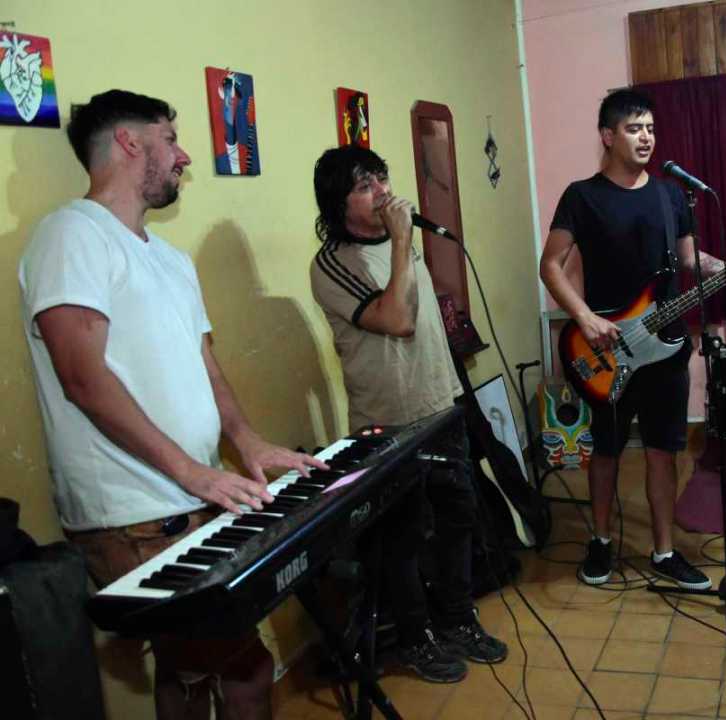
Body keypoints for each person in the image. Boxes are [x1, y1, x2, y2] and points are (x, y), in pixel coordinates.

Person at [18, 89, 327, 719]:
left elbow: (204, 365)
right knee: (244, 670)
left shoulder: (171, 260)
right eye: (171, 138)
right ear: (129, 141)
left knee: (188, 668)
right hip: (132, 513)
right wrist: (193, 473)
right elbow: (82, 378)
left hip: (188, 498)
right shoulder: (71, 235)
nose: (184, 156)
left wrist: (247, 443)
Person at [539, 89, 726, 590]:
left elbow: (689, 258)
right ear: (608, 136)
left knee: (663, 450)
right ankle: (600, 541)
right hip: (606, 347)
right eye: (634, 128)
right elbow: (550, 265)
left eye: (651, 129)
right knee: (607, 450)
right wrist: (584, 317)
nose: (646, 138)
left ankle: (664, 551)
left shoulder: (670, 195)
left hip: (666, 346)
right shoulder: (582, 196)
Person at [309, 145, 507, 683]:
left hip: (440, 406)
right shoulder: (333, 264)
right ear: (338, 204)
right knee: (401, 538)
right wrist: (401, 241)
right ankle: (416, 639)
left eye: (381, 178)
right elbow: (396, 320)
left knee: (457, 519)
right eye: (364, 186)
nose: (382, 192)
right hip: (388, 424)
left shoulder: (402, 245)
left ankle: (457, 620)